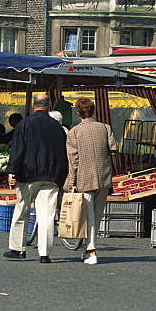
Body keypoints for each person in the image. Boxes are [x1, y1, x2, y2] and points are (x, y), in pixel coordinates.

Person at [4, 95, 68, 263]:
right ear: (49, 105)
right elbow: (63, 154)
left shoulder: (25, 124)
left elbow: (17, 150)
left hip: (28, 175)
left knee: (22, 211)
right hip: (51, 176)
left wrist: (12, 171)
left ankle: (18, 249)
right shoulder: (57, 127)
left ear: (33, 105)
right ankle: (44, 254)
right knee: (47, 215)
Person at [63, 98, 117, 265]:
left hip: (84, 178)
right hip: (103, 176)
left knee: (89, 217)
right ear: (93, 111)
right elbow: (113, 149)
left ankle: (91, 251)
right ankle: (90, 249)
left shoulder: (74, 132)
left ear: (78, 113)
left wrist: (70, 182)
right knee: (97, 215)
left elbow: (73, 160)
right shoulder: (104, 127)